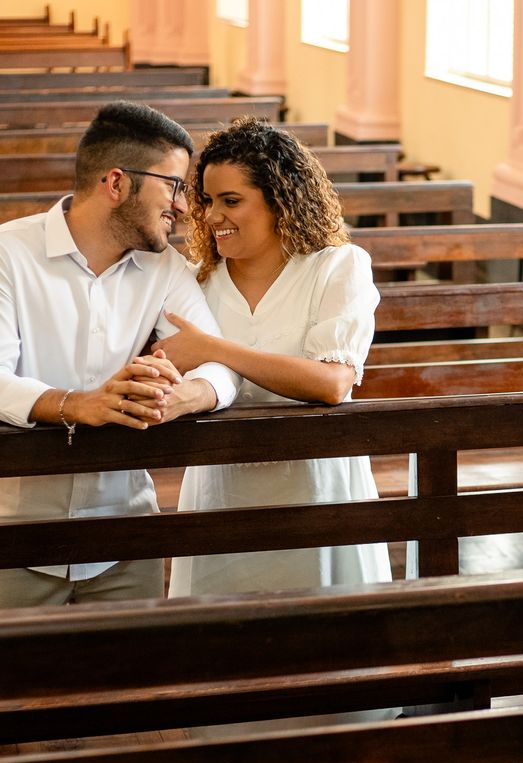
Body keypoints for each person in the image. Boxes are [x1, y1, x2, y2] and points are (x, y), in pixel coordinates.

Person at [0, 101, 239, 608]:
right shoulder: (8, 255)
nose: (182, 205)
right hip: (14, 536)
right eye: (173, 185)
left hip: (126, 537)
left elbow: (220, 364)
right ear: (116, 183)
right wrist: (77, 403)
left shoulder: (167, 270)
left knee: (133, 684)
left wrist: (186, 395)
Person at [160, 117, 392, 599]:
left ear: (279, 199)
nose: (210, 217)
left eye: (231, 201)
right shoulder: (196, 279)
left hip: (315, 486)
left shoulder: (336, 267)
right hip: (221, 489)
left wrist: (214, 349)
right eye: (206, 201)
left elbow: (332, 384)